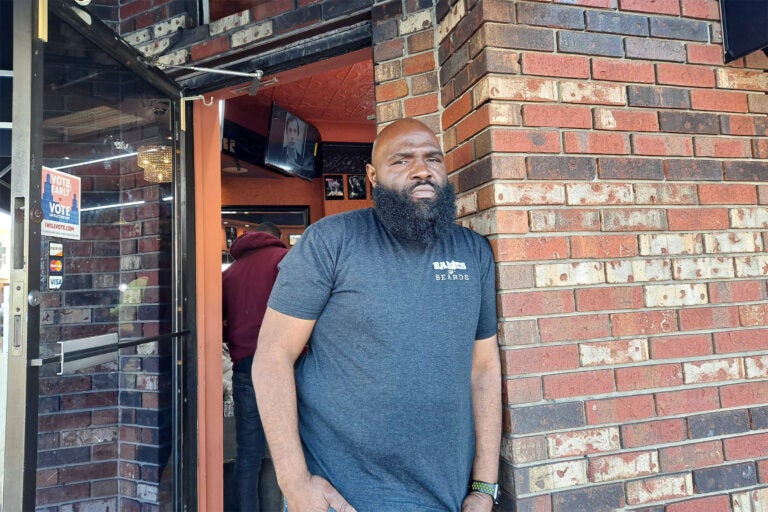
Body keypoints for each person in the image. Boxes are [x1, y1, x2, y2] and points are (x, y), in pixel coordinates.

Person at [253, 118, 502, 512]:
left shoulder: (474, 252)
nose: (422, 170)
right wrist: (294, 481)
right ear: (372, 176)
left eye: (432, 158)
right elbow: (271, 356)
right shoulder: (330, 241)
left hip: (448, 497)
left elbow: (484, 368)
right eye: (402, 161)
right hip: (341, 498)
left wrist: (485, 487)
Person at [223, 222, 289, 512]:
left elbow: (220, 324)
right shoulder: (285, 261)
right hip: (287, 365)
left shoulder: (230, 274)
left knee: (248, 453)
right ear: (278, 238)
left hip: (246, 365)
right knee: (291, 448)